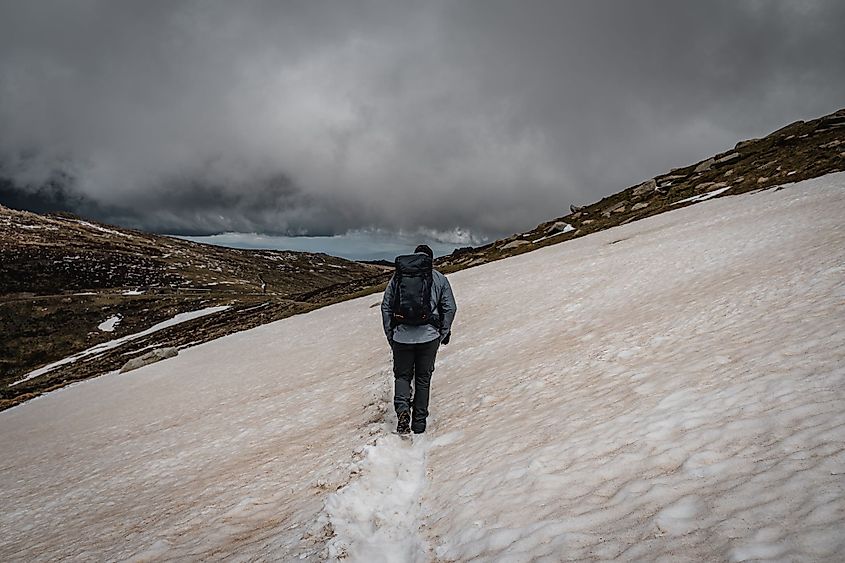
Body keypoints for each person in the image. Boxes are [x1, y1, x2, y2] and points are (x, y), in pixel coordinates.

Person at [381, 244, 457, 434]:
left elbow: (386, 307)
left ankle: (402, 412)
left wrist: (391, 335)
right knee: (423, 378)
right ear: (430, 260)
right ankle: (419, 425)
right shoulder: (439, 278)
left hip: (401, 337)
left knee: (402, 376)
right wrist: (443, 333)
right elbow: (450, 308)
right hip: (429, 337)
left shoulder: (398, 278)